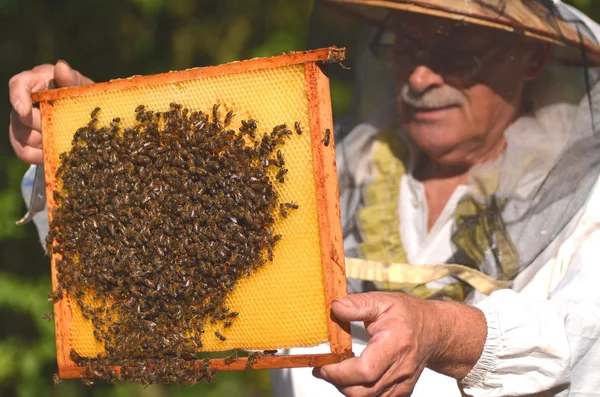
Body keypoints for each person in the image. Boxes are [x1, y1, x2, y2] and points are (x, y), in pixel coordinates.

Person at [8, 1, 600, 396]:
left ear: (533, 56)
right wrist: (97, 144)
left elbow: (579, 334)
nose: (419, 78)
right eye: (402, 44)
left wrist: (444, 331)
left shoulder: (589, 196)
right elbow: (157, 262)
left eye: (455, 51)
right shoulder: (322, 166)